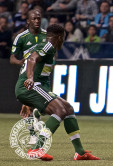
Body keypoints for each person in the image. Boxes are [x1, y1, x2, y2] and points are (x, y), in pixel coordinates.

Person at [15, 23, 100, 161]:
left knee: (68, 108)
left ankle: (80, 152)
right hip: (29, 87)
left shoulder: (48, 48)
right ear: (60, 37)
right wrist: (29, 81)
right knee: (59, 111)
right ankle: (37, 149)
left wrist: (27, 100)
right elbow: (31, 60)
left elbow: (36, 71)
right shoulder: (48, 45)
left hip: (32, 88)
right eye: (64, 38)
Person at [10, 9, 47, 145]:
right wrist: (21, 62)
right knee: (26, 108)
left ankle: (37, 115)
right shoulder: (21, 37)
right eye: (34, 19)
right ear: (28, 21)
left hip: (43, 74)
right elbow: (12, 58)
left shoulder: (47, 35)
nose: (37, 21)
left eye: (39, 18)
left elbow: (53, 53)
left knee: (44, 106)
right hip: (27, 74)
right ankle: (32, 135)